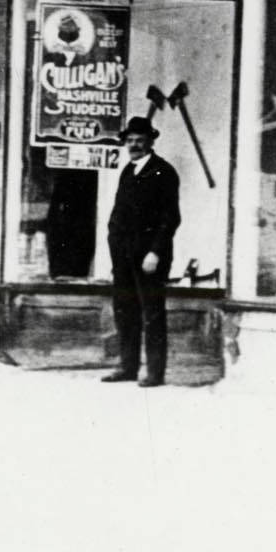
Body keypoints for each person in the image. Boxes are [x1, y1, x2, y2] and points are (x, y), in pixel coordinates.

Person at [103, 116, 181, 387]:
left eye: (140, 140)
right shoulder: (127, 171)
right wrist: (113, 246)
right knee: (125, 310)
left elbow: (171, 218)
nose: (134, 145)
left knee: (152, 313)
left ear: (150, 141)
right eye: (130, 140)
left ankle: (155, 373)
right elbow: (117, 214)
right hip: (123, 255)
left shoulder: (163, 171)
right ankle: (127, 366)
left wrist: (155, 253)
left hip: (149, 257)